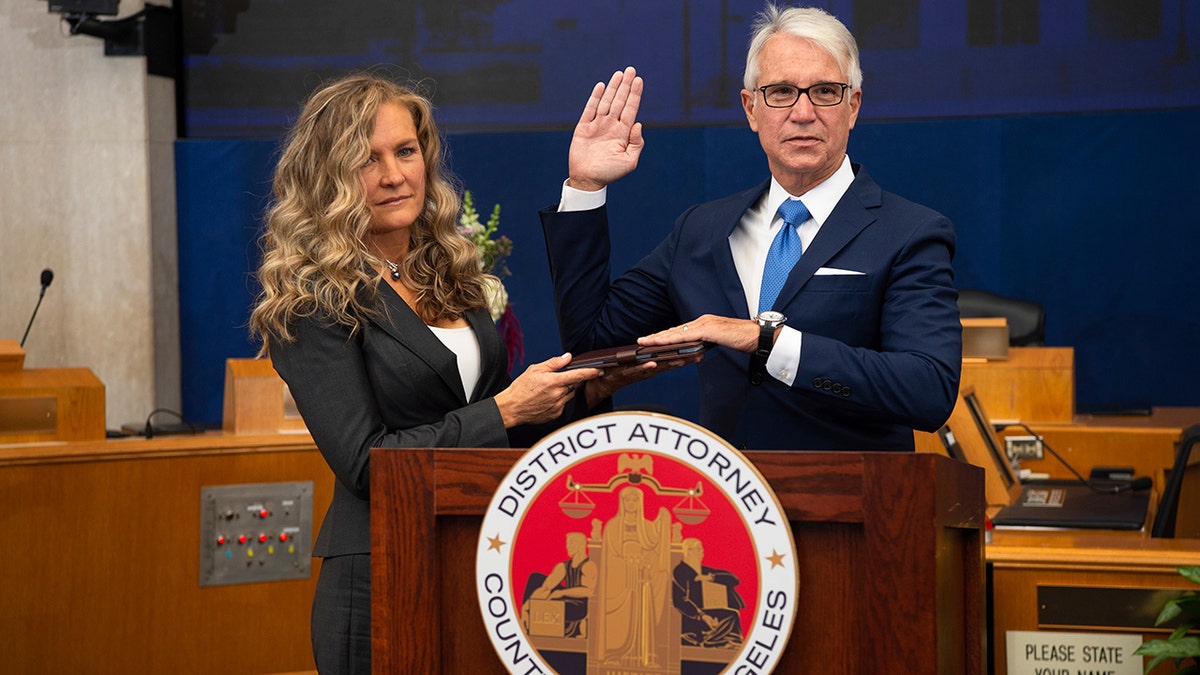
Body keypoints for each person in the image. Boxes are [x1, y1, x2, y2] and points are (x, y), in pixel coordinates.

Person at [249, 72, 646, 674]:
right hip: (381, 569)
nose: (393, 175)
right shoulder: (312, 299)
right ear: (327, 179)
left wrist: (586, 392)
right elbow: (367, 463)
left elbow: (489, 430)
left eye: (406, 151)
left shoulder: (445, 273)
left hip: (480, 554)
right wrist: (508, 408)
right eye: (367, 160)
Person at [540, 5, 962, 451]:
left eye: (824, 92)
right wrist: (586, 186)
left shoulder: (909, 232)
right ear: (751, 109)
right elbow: (591, 343)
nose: (803, 112)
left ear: (853, 106)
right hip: (726, 509)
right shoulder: (701, 230)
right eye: (780, 92)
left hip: (851, 506)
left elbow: (928, 391)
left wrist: (766, 341)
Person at [598, 486, 672, 666]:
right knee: (620, 621)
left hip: (642, 584)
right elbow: (609, 559)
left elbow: (654, 553)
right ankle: (614, 656)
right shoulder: (612, 526)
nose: (631, 503)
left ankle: (645, 659)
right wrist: (627, 562)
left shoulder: (647, 526)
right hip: (620, 586)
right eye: (627, 500)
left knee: (643, 619)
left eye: (635, 500)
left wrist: (645, 562)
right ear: (621, 502)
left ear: (640, 503)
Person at [671, 538, 745, 649]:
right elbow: (680, 601)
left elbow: (734, 579)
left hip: (709, 609)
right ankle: (713, 642)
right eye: (698, 549)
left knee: (732, 614)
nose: (703, 551)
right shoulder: (680, 571)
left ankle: (728, 642)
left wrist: (710, 577)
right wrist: (702, 615)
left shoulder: (703, 570)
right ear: (689, 551)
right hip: (691, 613)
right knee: (731, 615)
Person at [521, 531, 597, 637]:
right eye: (567, 544)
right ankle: (531, 626)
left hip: (580, 606)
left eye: (571, 543)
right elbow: (545, 588)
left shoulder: (588, 566)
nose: (567, 547)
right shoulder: (564, 567)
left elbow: (588, 591)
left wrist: (562, 592)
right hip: (564, 601)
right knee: (536, 578)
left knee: (552, 604)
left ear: (580, 545)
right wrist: (526, 606)